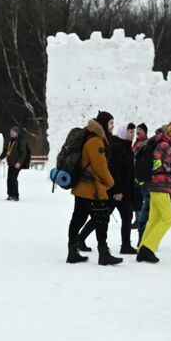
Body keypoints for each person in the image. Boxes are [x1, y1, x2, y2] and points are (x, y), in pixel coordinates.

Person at [76, 112, 137, 254]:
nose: (132, 134)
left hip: (124, 191)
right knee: (101, 217)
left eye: (133, 132)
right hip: (115, 191)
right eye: (130, 131)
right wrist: (116, 190)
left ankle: (125, 245)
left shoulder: (128, 148)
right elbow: (114, 171)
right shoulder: (117, 147)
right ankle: (80, 238)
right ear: (124, 132)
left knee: (127, 216)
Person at [66, 110, 121, 265]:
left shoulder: (91, 137)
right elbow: (100, 166)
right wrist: (111, 184)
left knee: (78, 218)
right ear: (103, 124)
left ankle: (72, 251)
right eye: (111, 123)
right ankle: (104, 255)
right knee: (102, 220)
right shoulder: (96, 141)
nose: (113, 126)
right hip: (93, 190)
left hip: (82, 188)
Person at [136, 122, 171, 263]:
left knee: (154, 218)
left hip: (157, 185)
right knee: (168, 218)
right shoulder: (163, 145)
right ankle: (148, 248)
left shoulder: (161, 143)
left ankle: (142, 249)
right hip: (160, 185)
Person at [0, 123, 30, 200]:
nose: (11, 133)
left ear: (17, 133)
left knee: (13, 179)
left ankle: (15, 195)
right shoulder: (10, 141)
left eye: (13, 132)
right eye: (10, 131)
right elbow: (5, 151)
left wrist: (19, 162)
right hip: (10, 163)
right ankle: (10, 195)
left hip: (16, 164)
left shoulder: (21, 140)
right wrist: (0, 157)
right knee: (9, 179)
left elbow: (24, 153)